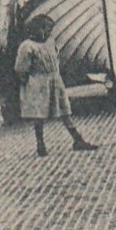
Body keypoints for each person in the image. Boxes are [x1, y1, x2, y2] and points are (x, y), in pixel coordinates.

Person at [15, 16, 98, 156]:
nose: (48, 33)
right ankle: (40, 143)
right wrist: (28, 82)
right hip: (38, 83)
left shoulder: (50, 42)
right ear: (38, 29)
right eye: (46, 29)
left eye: (50, 30)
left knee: (65, 109)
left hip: (55, 79)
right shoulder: (27, 46)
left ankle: (77, 139)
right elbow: (21, 68)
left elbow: (56, 57)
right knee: (39, 113)